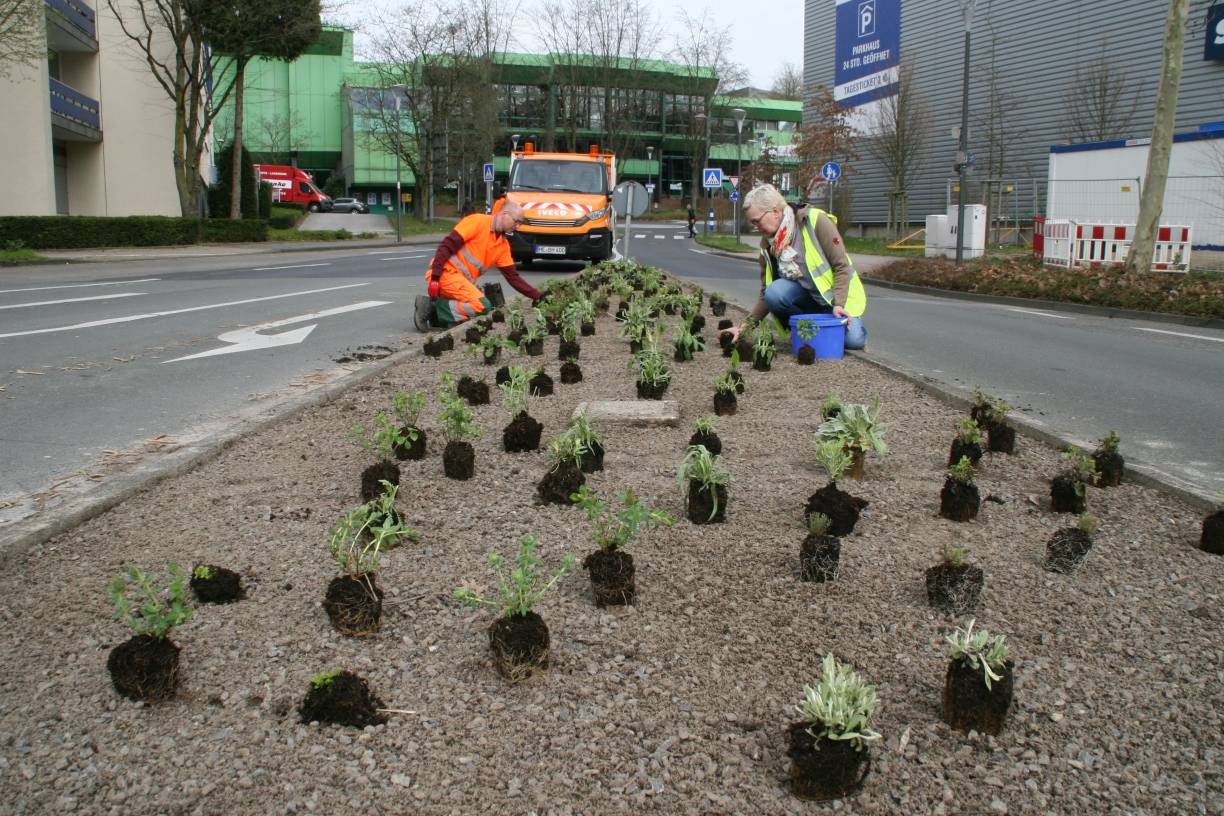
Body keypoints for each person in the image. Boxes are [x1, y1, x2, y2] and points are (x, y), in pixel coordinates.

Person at [722, 183, 867, 350]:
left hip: (837, 300)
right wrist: (743, 329)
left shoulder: (814, 220)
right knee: (775, 293)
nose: (755, 227)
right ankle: (802, 328)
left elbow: (841, 266)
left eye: (757, 221)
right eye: (752, 223)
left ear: (775, 212)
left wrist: (839, 304)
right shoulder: (767, 245)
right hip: (809, 302)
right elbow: (766, 294)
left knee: (853, 341)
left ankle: (830, 325)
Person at [413, 199, 542, 331]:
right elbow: (446, 246)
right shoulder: (478, 221)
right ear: (505, 214)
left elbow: (513, 278)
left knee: (478, 310)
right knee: (482, 305)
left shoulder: (502, 246)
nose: (518, 226)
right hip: (445, 274)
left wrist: (538, 296)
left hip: (459, 282)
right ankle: (434, 309)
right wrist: (435, 278)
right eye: (517, 221)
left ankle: (436, 314)